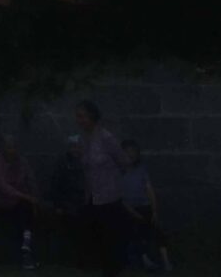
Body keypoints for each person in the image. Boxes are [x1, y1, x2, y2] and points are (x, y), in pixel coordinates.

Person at [76, 100, 128, 277]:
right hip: (92, 196)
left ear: (91, 116)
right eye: (78, 117)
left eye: (82, 116)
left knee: (110, 238)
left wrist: (112, 180)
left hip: (109, 197)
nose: (79, 120)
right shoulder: (83, 139)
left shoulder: (106, 138)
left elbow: (122, 161)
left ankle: (112, 271)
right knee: (95, 236)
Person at [120, 139, 173, 273]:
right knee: (136, 228)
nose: (130, 155)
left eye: (133, 152)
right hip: (129, 209)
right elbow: (120, 199)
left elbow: (149, 189)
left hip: (144, 206)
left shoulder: (141, 170)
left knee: (157, 228)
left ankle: (166, 261)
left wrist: (154, 210)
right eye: (127, 152)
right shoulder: (117, 173)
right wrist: (133, 213)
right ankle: (145, 260)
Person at [0, 135, 40, 270]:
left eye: (13, 147)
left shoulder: (22, 162)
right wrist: (25, 196)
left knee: (27, 209)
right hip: (4, 201)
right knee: (24, 208)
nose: (11, 150)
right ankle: (26, 250)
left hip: (22, 202)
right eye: (9, 147)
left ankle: (26, 246)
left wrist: (34, 198)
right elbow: (3, 186)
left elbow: (31, 180)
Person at [50, 135, 87, 264]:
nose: (76, 149)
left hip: (83, 202)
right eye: (73, 147)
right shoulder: (62, 163)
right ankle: (70, 258)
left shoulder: (86, 162)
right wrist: (58, 205)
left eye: (78, 147)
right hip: (67, 202)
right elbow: (56, 185)